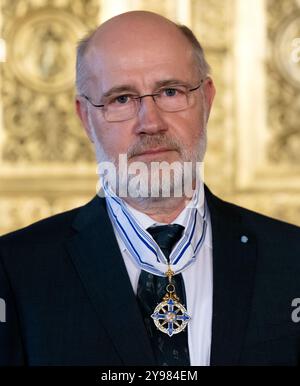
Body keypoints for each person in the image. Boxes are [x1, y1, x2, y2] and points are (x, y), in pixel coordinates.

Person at [0, 10, 300, 366]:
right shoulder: (16, 270)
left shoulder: (291, 259)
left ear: (206, 98)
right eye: (122, 99)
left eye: (170, 91)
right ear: (86, 117)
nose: (151, 123)